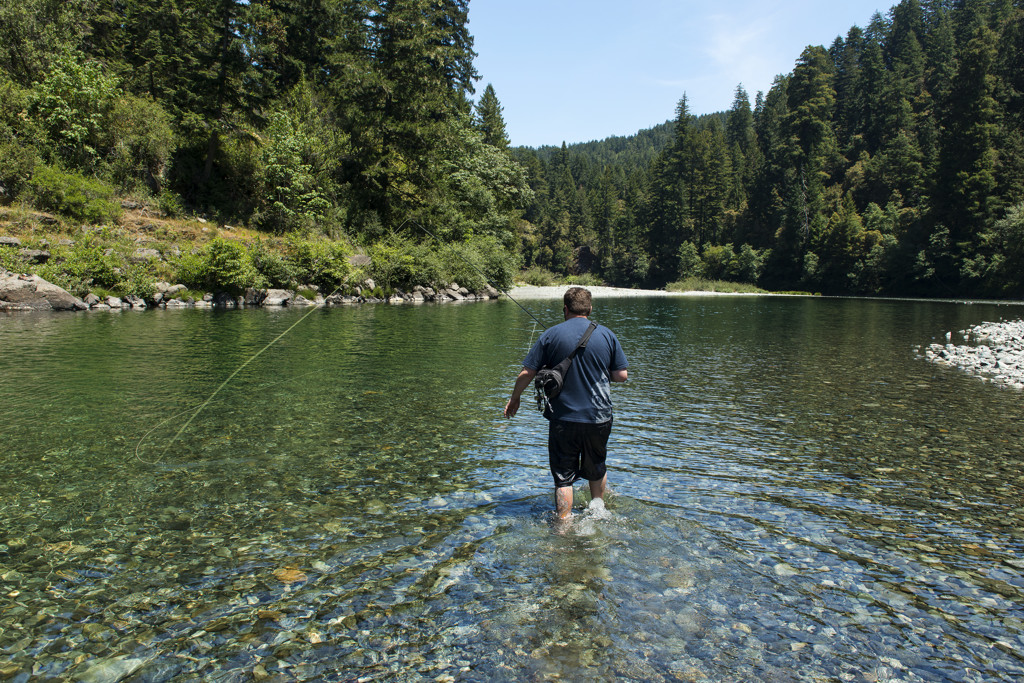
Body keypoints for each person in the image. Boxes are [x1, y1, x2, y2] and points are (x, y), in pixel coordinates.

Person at [503, 287, 629, 520]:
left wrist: (515, 398)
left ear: (565, 309)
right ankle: (598, 512)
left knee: (564, 476)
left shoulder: (550, 335)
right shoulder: (608, 335)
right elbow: (621, 375)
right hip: (599, 417)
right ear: (590, 309)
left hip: (564, 419)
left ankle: (564, 524)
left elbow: (527, 373)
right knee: (597, 466)